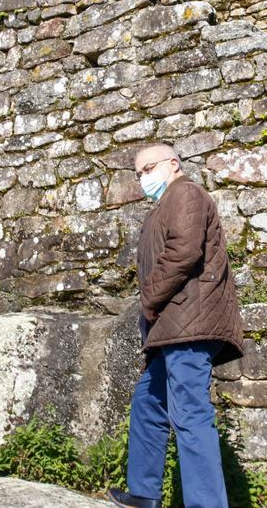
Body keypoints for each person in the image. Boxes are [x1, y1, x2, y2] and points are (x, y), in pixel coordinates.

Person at [108, 143, 244, 508]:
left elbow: (184, 252)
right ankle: (143, 494)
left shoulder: (185, 193)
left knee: (189, 413)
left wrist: (149, 299)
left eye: (148, 169)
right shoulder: (164, 204)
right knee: (148, 404)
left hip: (190, 322)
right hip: (173, 325)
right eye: (138, 174)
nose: (142, 179)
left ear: (173, 163)